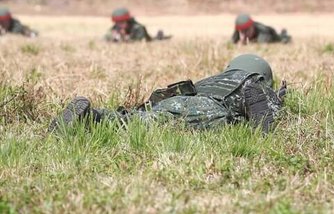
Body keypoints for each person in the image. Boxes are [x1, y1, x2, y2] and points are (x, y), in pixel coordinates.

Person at [49, 54, 286, 135]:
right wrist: (279, 100)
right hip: (208, 110)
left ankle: (94, 116)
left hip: (180, 101)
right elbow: (264, 115)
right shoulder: (252, 81)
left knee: (133, 120)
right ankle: (90, 120)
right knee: (152, 126)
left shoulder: (214, 79)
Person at [103, 7, 169, 43]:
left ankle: (160, 36)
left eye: (122, 22)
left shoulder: (138, 28)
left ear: (127, 21)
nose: (119, 25)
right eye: (117, 23)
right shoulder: (116, 28)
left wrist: (125, 38)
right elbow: (105, 37)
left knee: (156, 40)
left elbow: (140, 40)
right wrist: (114, 37)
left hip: (149, 39)